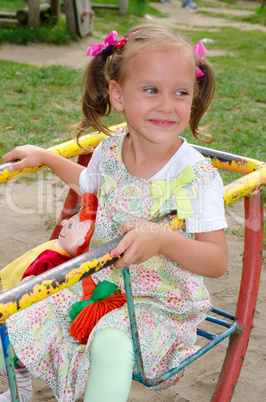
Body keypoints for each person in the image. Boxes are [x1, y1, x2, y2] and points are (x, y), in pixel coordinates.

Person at [0, 24, 228, 402]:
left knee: (109, 344)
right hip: (101, 282)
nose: (167, 105)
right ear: (118, 94)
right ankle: (21, 387)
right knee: (22, 309)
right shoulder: (109, 150)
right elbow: (90, 184)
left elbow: (216, 260)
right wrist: (46, 157)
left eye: (181, 93)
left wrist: (164, 238)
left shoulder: (193, 176)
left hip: (160, 304)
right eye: (151, 90)